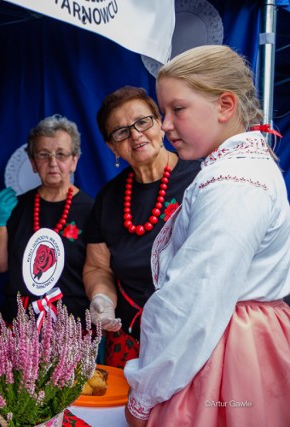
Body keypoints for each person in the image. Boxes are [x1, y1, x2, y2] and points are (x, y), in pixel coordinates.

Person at [124, 45, 290, 426]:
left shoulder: (234, 184)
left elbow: (193, 300)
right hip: (230, 338)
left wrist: (145, 395)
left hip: (222, 351)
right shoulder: (237, 170)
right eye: (163, 112)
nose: (164, 125)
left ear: (225, 106)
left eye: (177, 109)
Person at [81, 86, 200, 368]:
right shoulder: (109, 198)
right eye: (121, 131)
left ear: (160, 124)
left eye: (142, 122)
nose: (135, 134)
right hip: (129, 340)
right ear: (113, 147)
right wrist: (101, 298)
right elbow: (98, 268)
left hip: (192, 337)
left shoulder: (201, 180)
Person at [0, 114, 94, 323]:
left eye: (62, 154)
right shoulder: (16, 207)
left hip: (71, 327)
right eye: (44, 155)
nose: (53, 163)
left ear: (74, 161)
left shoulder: (91, 210)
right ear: (33, 163)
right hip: (18, 324)